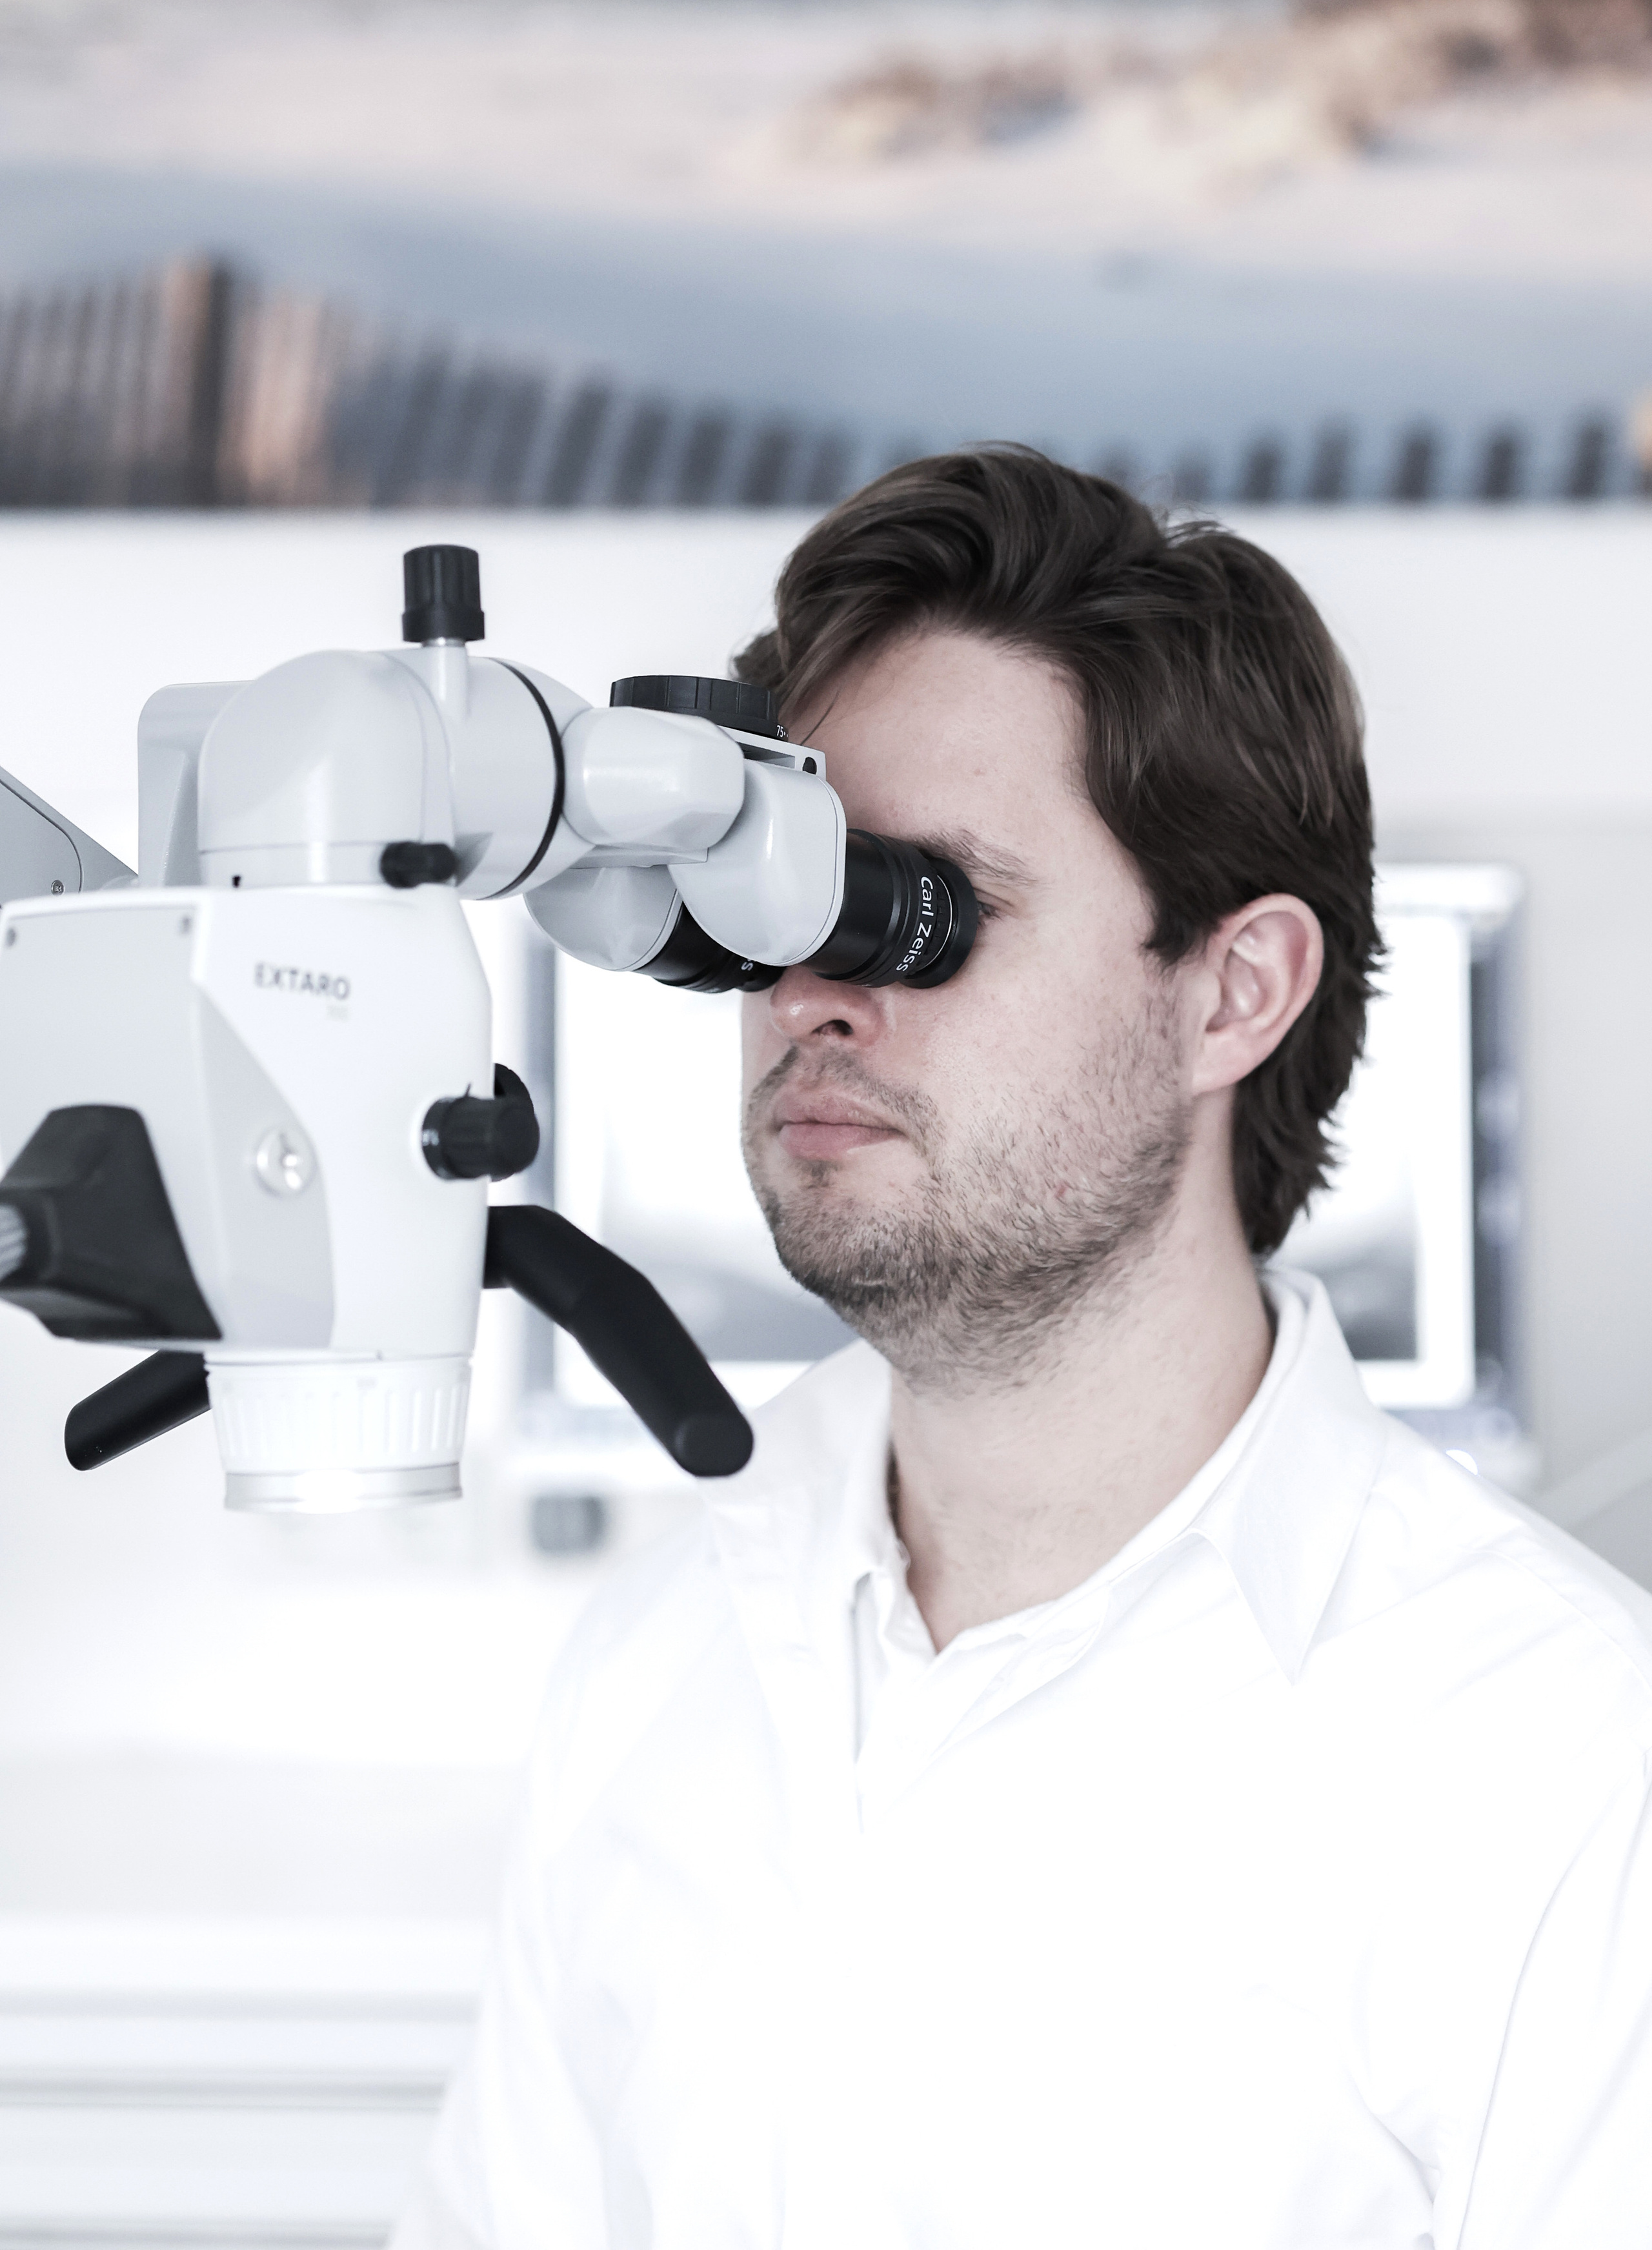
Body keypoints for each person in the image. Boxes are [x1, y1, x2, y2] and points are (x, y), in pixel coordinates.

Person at [394, 449, 1652, 2248]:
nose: (810, 993)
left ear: (1232, 991)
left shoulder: (1562, 1765)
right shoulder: (662, 1657)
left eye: (917, 908)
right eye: (772, 898)